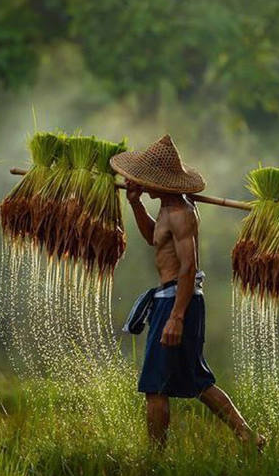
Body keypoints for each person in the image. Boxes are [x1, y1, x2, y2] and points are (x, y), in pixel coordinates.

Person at [110, 135, 266, 451]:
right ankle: (249, 438)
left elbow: (188, 267)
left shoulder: (181, 212)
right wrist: (136, 203)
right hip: (174, 300)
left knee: (155, 386)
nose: (142, 184)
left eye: (147, 182)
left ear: (163, 182)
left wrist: (176, 318)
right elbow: (155, 239)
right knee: (197, 380)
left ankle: (154, 458)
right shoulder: (168, 208)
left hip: (178, 303)